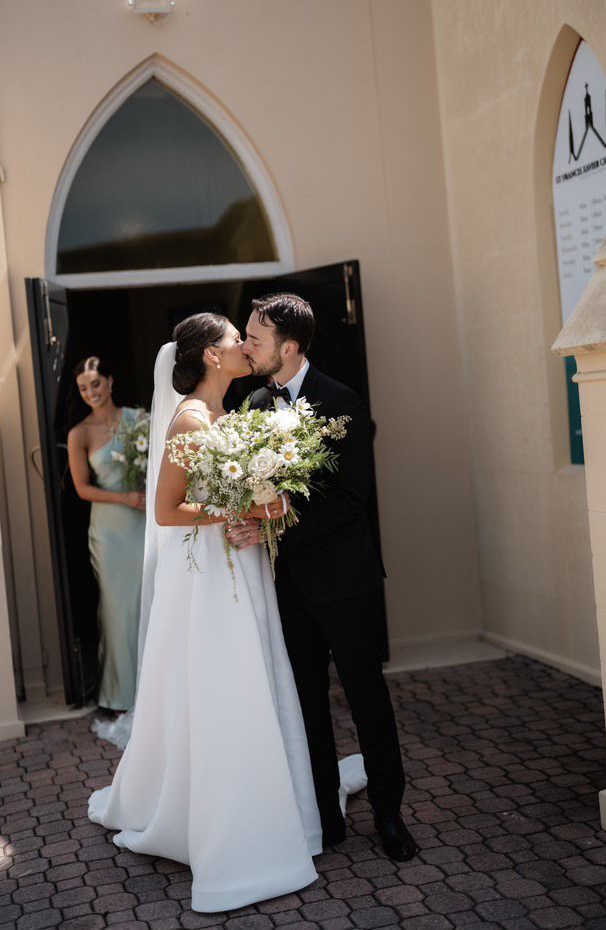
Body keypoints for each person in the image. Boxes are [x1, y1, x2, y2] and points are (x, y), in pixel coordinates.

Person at [87, 315, 322, 913]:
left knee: (252, 675)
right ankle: (228, 826)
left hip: (238, 566)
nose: (245, 347)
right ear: (211, 359)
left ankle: (272, 804)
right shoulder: (190, 418)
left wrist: (265, 508)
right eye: (232, 341)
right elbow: (167, 511)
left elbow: (231, 495)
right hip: (210, 577)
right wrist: (238, 507)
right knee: (224, 685)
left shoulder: (227, 415)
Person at [233, 291, 417, 862]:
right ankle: (323, 816)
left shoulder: (341, 402)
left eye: (255, 340)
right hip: (287, 587)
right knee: (306, 703)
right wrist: (247, 522)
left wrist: (279, 517)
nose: (245, 347)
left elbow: (351, 499)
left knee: (367, 699)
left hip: (346, 581)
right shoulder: (253, 404)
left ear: (288, 347)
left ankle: (390, 813)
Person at [67, 356, 146, 713]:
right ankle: (121, 694)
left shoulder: (139, 419)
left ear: (110, 382)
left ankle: (155, 687)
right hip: (110, 531)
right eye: (83, 388)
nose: (90, 393)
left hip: (144, 523)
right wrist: (125, 497)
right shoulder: (79, 433)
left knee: (149, 601)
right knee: (117, 609)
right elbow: (82, 488)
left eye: (95, 384)